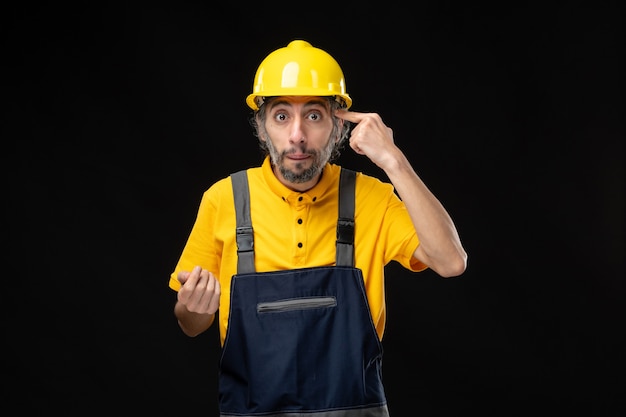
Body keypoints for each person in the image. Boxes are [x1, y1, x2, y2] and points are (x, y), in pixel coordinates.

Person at [168, 39, 467, 417]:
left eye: (313, 116)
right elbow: (191, 325)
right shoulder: (223, 199)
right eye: (281, 116)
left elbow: (451, 261)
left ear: (338, 126)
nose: (297, 135)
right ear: (261, 128)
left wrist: (394, 160)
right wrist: (192, 308)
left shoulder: (369, 197)